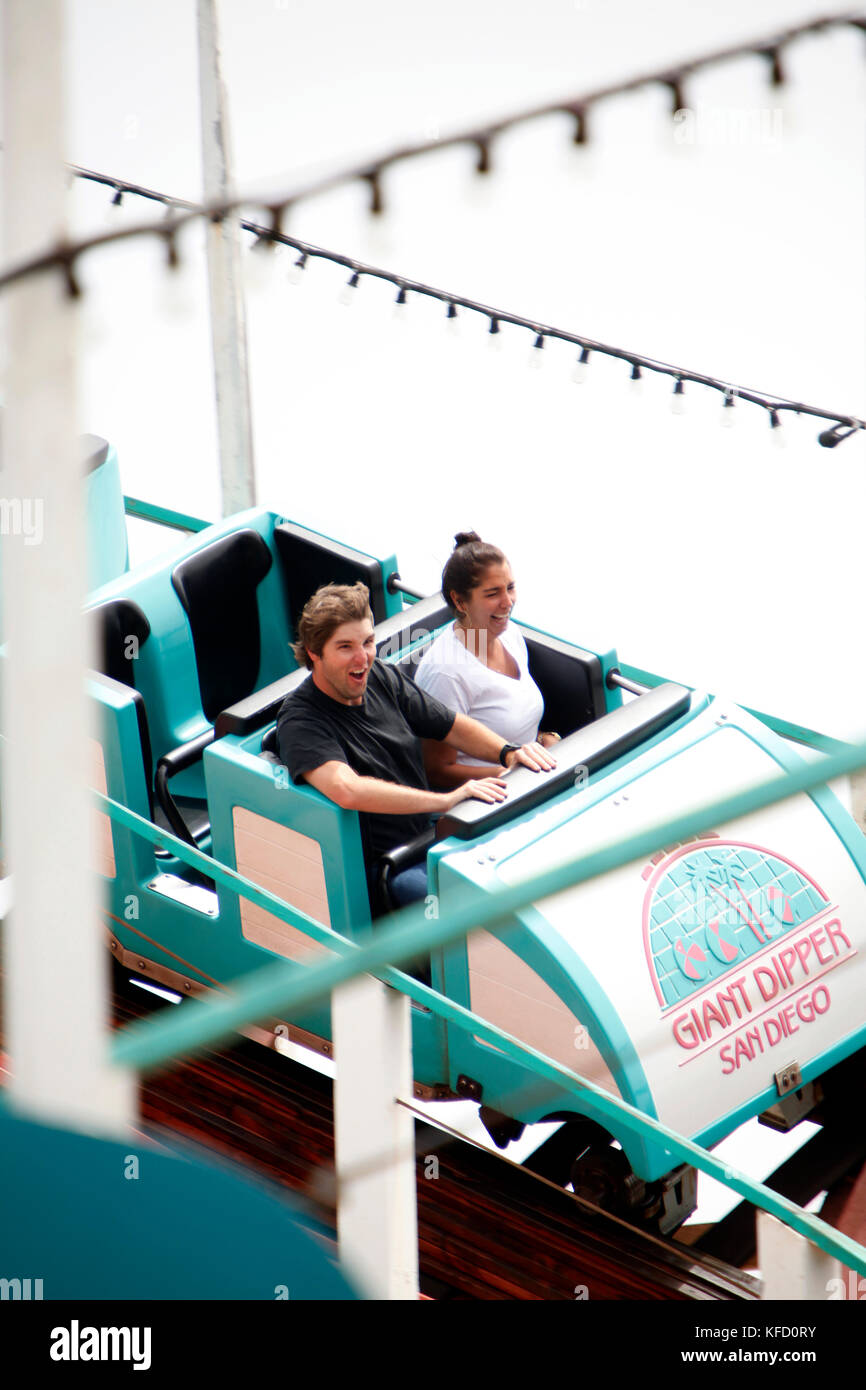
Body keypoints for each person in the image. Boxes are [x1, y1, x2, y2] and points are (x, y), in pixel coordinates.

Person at [276, 581, 555, 909]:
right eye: (345, 647)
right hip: (392, 866)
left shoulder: (378, 675)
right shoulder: (300, 720)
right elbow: (346, 789)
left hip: (434, 836)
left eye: (367, 642)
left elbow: (448, 724)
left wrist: (508, 752)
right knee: (477, 910)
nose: (362, 658)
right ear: (314, 652)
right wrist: (445, 800)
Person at [414, 531, 560, 788]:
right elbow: (437, 771)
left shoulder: (510, 634)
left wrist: (540, 741)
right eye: (493, 594)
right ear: (460, 601)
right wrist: (515, 770)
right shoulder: (446, 673)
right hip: (482, 802)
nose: (508, 603)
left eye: (510, 588)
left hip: (530, 776)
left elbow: (506, 718)